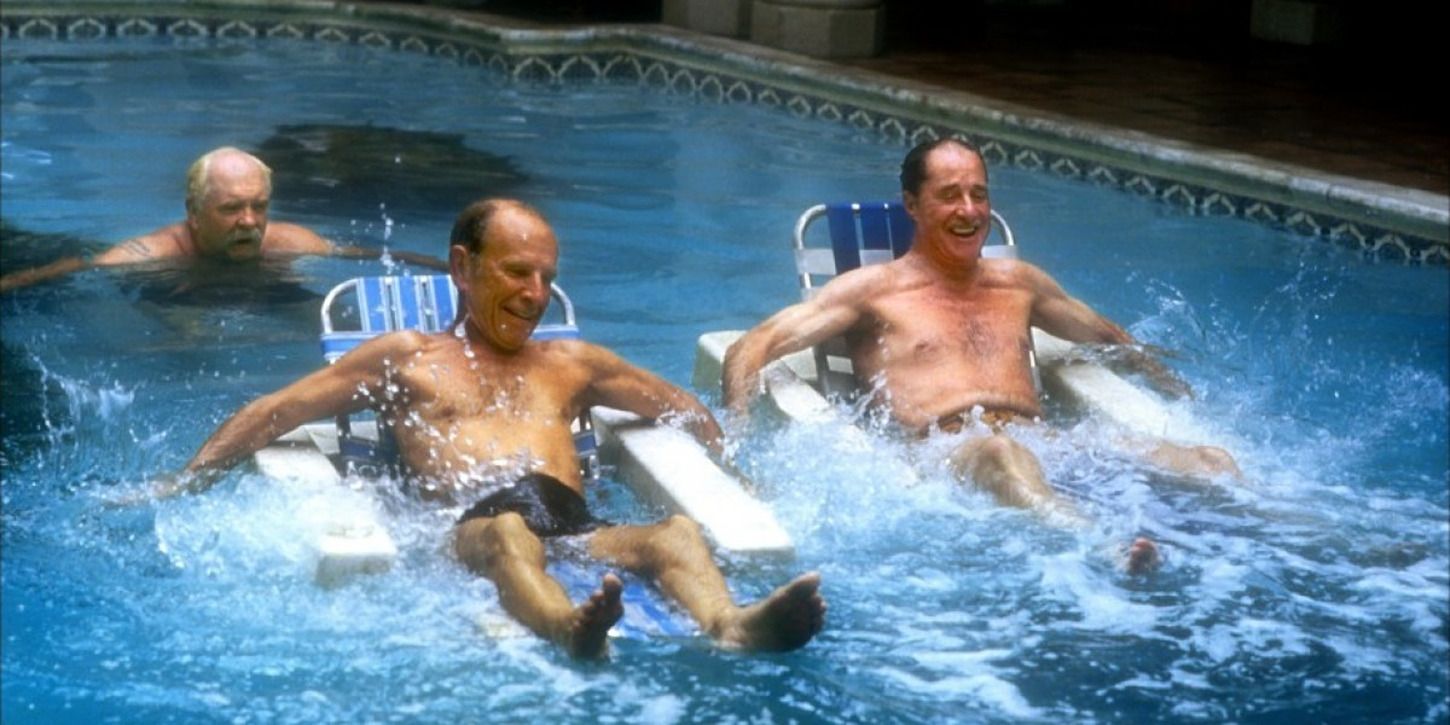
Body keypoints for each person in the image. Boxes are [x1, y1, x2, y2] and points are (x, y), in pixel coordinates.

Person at [131, 198, 825, 659]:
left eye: (546, 278)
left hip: (575, 529)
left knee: (675, 533)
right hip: (468, 531)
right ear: (463, 267)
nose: (534, 293)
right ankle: (568, 627)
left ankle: (729, 624)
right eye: (516, 271)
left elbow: (678, 405)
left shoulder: (573, 361)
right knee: (508, 530)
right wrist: (179, 482)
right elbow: (273, 412)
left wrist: (738, 468)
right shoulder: (406, 357)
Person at [721, 138, 1239, 573]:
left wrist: (1180, 392)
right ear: (912, 205)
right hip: (944, 450)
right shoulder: (870, 291)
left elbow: (1112, 339)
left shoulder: (1020, 282)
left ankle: (1297, 541)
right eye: (950, 196)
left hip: (1046, 441)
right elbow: (752, 348)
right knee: (1000, 453)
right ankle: (1103, 547)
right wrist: (736, 439)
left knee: (1211, 462)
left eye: (979, 195)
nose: (969, 212)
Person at [0, 146, 446, 293]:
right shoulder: (150, 254)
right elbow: (80, 269)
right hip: (176, 302)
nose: (250, 221)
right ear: (193, 214)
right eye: (231, 209)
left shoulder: (290, 243)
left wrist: (454, 271)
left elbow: (369, 257)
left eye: (259, 206)